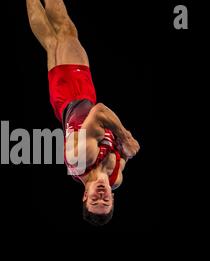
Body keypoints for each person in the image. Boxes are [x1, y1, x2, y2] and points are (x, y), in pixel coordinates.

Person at [26, 0, 140, 225]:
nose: (101, 195)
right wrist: (123, 147)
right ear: (113, 198)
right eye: (105, 201)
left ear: (85, 196)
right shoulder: (116, 176)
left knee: (63, 32)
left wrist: (126, 137)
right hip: (80, 96)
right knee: (54, 39)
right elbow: (119, 147)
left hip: (69, 91)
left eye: (94, 200)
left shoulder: (80, 160)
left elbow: (99, 112)